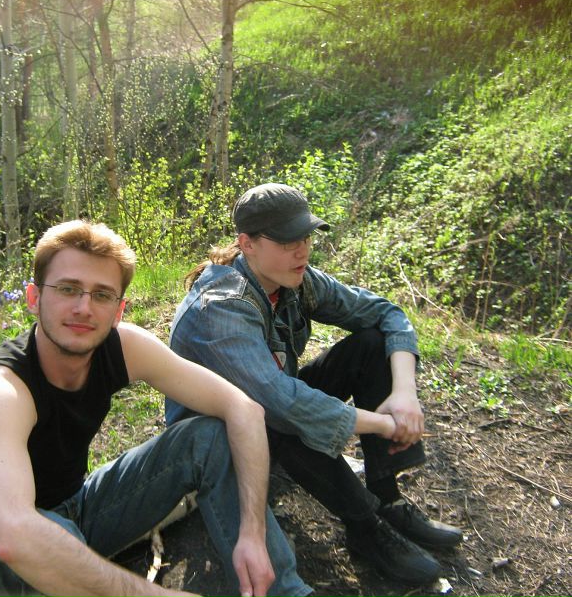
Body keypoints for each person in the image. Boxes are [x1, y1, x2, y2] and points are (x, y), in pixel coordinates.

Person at [0, 219, 311, 597]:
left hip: (78, 507)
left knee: (208, 436)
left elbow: (243, 409)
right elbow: (14, 537)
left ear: (119, 310)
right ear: (34, 298)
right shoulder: (1, 389)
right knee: (50, 536)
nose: (84, 307)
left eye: (102, 295)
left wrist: (252, 532)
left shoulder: (123, 347)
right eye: (68, 289)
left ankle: (286, 592)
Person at [167, 183, 463, 586]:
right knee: (282, 417)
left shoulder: (294, 279)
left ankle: (387, 499)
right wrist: (385, 424)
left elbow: (385, 313)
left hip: (270, 408)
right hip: (218, 443)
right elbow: (282, 403)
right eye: (288, 241)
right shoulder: (219, 308)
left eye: (305, 237)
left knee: (371, 344)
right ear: (247, 244)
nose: (302, 251)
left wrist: (405, 394)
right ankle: (365, 526)